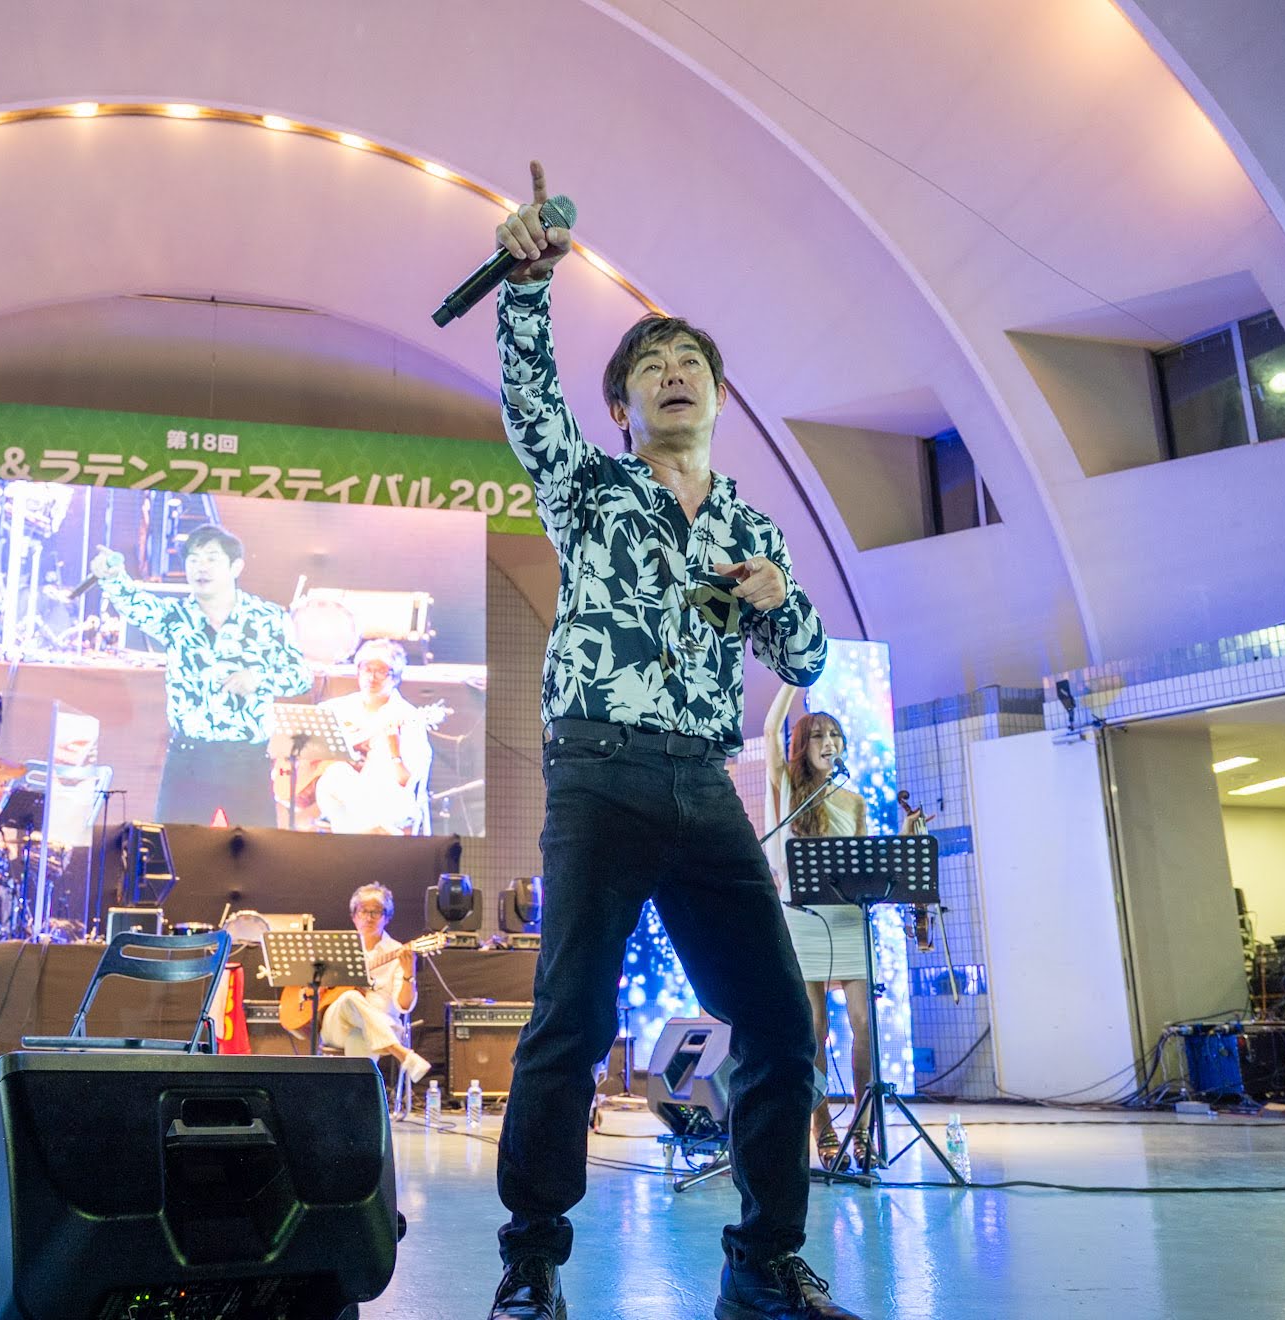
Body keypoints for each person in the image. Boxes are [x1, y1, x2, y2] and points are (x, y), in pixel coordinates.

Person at [486, 161, 859, 1320]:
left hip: (705, 785)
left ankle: (763, 1263)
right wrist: (527, 284)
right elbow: (529, 400)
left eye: (690, 360)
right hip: (599, 773)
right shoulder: (589, 490)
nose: (674, 372)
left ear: (719, 397)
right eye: (650, 365)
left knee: (780, 1021)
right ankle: (531, 1262)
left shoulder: (750, 524)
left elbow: (805, 659)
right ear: (624, 408)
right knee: (571, 1019)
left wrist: (780, 598)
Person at [93, 523, 312, 826]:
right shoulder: (175, 617)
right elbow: (134, 603)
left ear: (236, 567)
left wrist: (259, 679)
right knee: (175, 847)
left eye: (211, 558)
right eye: (193, 559)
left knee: (255, 848)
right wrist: (113, 575)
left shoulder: (268, 618)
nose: (201, 568)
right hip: (188, 758)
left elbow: (301, 676)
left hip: (246, 761)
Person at [762, 693, 874, 1173]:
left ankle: (864, 1128)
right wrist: (793, 682)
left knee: (864, 1023)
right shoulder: (790, 787)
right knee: (814, 1028)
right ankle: (822, 1127)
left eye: (835, 735)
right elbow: (769, 730)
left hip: (849, 919)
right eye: (818, 736)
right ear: (802, 746)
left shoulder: (855, 800)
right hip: (804, 919)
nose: (829, 743)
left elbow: (867, 865)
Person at [311, 639, 436, 834]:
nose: (372, 677)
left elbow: (406, 781)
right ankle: (377, 832)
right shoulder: (337, 708)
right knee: (335, 774)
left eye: (381, 671)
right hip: (346, 792)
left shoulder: (408, 716)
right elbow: (306, 740)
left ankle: (372, 833)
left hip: (390, 797)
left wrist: (395, 750)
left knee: (344, 800)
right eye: (366, 669)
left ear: (395, 677)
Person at [314, 882, 433, 1085]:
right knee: (350, 997)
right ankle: (403, 1054)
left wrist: (408, 973)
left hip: (383, 1025)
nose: (369, 917)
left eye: (376, 912)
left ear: (387, 917)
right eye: (363, 911)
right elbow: (313, 983)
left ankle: (358, 1100)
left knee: (359, 1035)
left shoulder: (397, 951)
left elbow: (404, 1006)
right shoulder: (339, 950)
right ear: (354, 917)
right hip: (336, 1025)